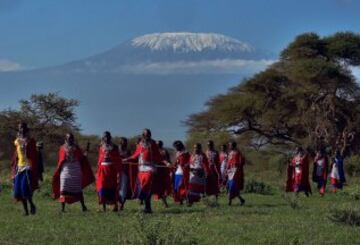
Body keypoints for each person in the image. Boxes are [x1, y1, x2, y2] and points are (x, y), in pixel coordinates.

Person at [52, 133, 95, 212]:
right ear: (66, 138)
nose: (70, 139)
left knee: (77, 189)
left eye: (71, 138)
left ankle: (83, 207)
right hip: (65, 169)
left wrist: (85, 155)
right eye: (68, 138)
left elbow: (81, 157)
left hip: (75, 169)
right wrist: (59, 170)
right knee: (63, 187)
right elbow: (61, 159)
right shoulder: (62, 148)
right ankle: (62, 208)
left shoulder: (76, 148)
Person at [123, 129, 163, 213]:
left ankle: (147, 206)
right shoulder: (140, 144)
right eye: (145, 134)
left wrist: (164, 162)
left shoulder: (153, 144)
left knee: (146, 186)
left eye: (148, 134)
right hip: (141, 168)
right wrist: (126, 159)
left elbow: (158, 155)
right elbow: (135, 155)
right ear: (142, 135)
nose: (146, 136)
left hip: (150, 168)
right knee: (144, 187)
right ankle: (147, 207)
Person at [11, 122, 39, 216]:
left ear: (26, 129)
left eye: (23, 128)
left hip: (28, 167)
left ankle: (32, 205)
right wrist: (14, 167)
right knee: (18, 191)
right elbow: (16, 155)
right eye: (19, 128)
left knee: (25, 189)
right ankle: (26, 212)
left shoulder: (31, 141)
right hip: (19, 167)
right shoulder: (17, 141)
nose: (21, 129)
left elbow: (34, 154)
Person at [96, 131, 122, 212]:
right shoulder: (101, 146)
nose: (106, 138)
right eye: (104, 137)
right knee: (102, 186)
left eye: (107, 137)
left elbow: (118, 159)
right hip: (102, 170)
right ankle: (103, 208)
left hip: (111, 169)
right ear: (103, 138)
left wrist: (118, 172)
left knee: (112, 187)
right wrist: (97, 170)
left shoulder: (114, 147)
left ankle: (115, 205)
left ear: (110, 137)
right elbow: (100, 158)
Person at [152, 140, 171, 208]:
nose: (157, 145)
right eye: (157, 144)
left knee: (164, 187)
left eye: (159, 144)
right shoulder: (154, 152)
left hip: (163, 171)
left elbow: (167, 160)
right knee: (158, 188)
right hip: (156, 171)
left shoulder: (164, 151)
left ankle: (165, 203)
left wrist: (168, 166)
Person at [118, 137, 136, 210]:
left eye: (126, 142)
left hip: (125, 171)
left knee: (124, 188)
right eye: (124, 142)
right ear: (120, 142)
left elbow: (131, 159)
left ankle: (121, 204)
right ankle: (115, 203)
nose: (125, 143)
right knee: (116, 188)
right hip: (116, 171)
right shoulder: (116, 150)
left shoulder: (127, 151)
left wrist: (127, 159)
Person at [226, 141, 246, 206]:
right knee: (229, 187)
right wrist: (227, 169)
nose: (229, 146)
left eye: (230, 145)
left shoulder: (238, 153)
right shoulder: (230, 153)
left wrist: (237, 166)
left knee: (232, 186)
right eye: (229, 145)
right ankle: (241, 200)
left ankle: (229, 202)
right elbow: (228, 162)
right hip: (230, 171)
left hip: (236, 172)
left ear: (233, 146)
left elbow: (242, 161)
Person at [172, 140, 190, 205]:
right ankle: (180, 200)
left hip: (184, 172)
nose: (175, 148)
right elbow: (176, 162)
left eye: (176, 147)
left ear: (179, 146)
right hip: (178, 172)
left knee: (182, 186)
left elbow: (189, 162)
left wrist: (185, 165)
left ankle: (186, 199)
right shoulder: (177, 153)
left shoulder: (186, 153)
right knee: (177, 186)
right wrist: (173, 166)